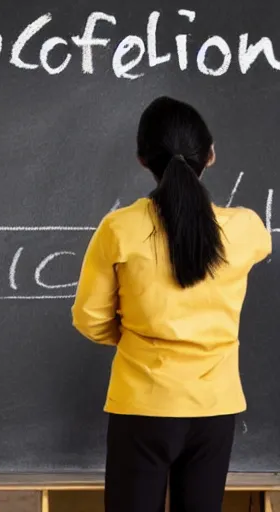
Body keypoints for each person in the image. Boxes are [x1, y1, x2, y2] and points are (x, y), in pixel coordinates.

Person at [71, 96, 272, 512]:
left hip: (142, 405)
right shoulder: (247, 229)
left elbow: (89, 318)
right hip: (215, 408)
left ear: (143, 159)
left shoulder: (120, 228)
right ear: (210, 155)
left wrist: (135, 340)